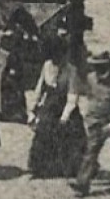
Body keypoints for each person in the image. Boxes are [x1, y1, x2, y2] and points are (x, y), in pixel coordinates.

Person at [66, 50, 110, 195]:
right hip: (97, 122)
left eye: (101, 67)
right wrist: (90, 119)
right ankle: (82, 184)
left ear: (108, 66)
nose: (98, 71)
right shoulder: (91, 78)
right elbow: (92, 100)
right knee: (91, 151)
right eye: (95, 67)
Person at [27, 26, 86, 178]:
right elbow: (39, 89)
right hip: (50, 106)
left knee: (69, 138)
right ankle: (42, 169)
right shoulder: (46, 66)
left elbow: (73, 97)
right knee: (43, 133)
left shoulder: (71, 70)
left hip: (66, 108)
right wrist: (32, 110)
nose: (54, 60)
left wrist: (64, 117)